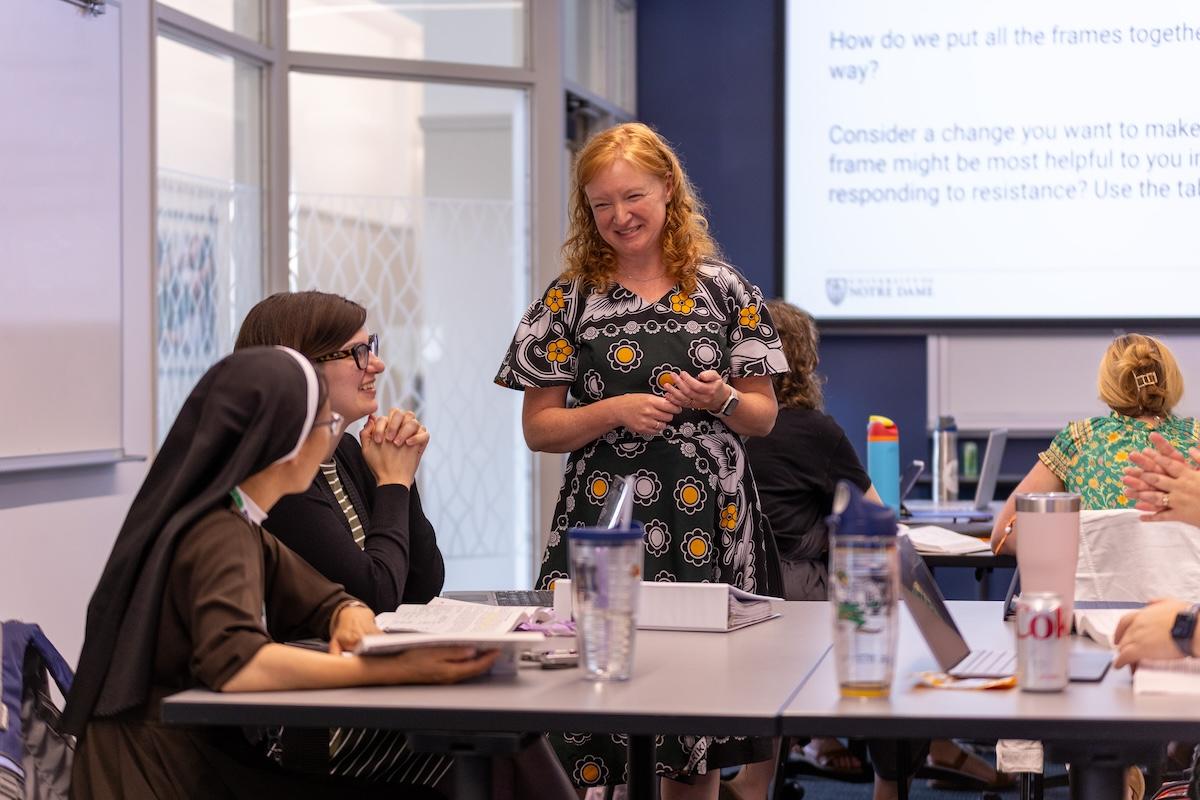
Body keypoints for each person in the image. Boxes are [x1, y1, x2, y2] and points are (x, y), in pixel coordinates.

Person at [62, 347, 502, 799]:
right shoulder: (217, 532)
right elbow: (240, 665)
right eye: (326, 425)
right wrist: (397, 669)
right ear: (286, 444)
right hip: (162, 774)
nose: (334, 438)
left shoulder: (236, 516)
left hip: (192, 757)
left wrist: (346, 613)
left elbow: (325, 597)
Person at [495, 122, 788, 799]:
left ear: (668, 192)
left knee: (699, 710)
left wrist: (719, 399)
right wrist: (612, 411)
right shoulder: (569, 299)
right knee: (589, 700)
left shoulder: (725, 289)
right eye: (601, 204)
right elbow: (539, 429)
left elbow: (763, 416)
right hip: (605, 525)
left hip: (709, 522)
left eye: (633, 197)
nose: (619, 216)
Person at [743, 301, 1007, 800]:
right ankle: (893, 781)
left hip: (737, 593)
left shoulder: (718, 428)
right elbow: (876, 520)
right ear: (805, 363)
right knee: (900, 625)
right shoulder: (815, 433)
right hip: (800, 598)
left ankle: (771, 770)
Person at [234, 290, 445, 612]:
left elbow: (422, 587)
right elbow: (373, 598)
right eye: (356, 352)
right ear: (301, 366)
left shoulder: (346, 449)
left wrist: (400, 469)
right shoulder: (279, 476)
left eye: (370, 346)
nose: (377, 364)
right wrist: (393, 483)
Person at [992, 333, 1199, 555]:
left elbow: (1004, 535)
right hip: (1183, 589)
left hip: (1097, 591)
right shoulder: (1196, 439)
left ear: (1110, 384)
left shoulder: (1079, 440)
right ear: (1172, 379)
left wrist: (1083, 547)